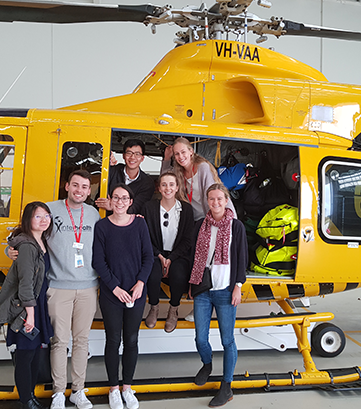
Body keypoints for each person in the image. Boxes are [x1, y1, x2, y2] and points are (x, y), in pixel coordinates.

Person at [8, 170, 100, 409]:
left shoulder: (93, 213)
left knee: (81, 341)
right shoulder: (49, 210)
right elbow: (23, 231)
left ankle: (78, 390)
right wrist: (10, 249)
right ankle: (59, 391)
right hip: (58, 287)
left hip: (88, 287)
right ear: (67, 186)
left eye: (84, 187)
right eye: (75, 185)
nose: (79, 190)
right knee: (59, 341)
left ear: (89, 191)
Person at [93, 184, 154, 409]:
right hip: (112, 294)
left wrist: (140, 284)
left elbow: (148, 257)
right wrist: (115, 288)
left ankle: (127, 386)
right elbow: (98, 261)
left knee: (131, 340)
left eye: (124, 198)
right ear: (110, 201)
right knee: (113, 340)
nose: (120, 202)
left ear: (130, 202)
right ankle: (113, 388)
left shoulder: (139, 223)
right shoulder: (102, 227)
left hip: (136, 293)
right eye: (116, 198)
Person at [189, 184, 247, 407]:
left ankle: (227, 386)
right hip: (204, 290)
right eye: (211, 199)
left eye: (219, 199)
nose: (215, 203)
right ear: (207, 201)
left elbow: (242, 257)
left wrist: (238, 286)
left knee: (227, 339)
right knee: (200, 338)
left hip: (225, 290)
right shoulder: (200, 226)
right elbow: (195, 257)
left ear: (226, 201)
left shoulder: (236, 226)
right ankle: (207, 364)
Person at [0, 201, 54, 409]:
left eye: (47, 215)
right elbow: (26, 284)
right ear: (28, 219)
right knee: (25, 355)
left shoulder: (39, 240)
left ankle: (29, 397)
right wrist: (31, 315)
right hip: (28, 307)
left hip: (36, 305)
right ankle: (26, 401)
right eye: (38, 216)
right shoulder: (27, 246)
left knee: (34, 353)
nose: (44, 220)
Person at [141, 172, 194, 332]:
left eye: (171, 184)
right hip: (155, 252)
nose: (168, 188)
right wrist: (160, 256)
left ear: (177, 187)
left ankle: (174, 309)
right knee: (153, 274)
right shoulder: (148, 207)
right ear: (159, 187)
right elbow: (146, 237)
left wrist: (171, 258)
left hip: (178, 254)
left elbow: (188, 240)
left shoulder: (186, 209)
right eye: (164, 184)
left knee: (178, 274)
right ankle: (154, 307)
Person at [162, 137, 236, 222]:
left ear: (191, 151)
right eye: (177, 154)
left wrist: (213, 219)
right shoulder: (179, 171)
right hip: (194, 219)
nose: (181, 156)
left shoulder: (202, 167)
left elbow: (213, 195)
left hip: (210, 216)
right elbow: (165, 179)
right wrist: (167, 158)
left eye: (183, 152)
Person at [95, 139, 155, 215]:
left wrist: (112, 206)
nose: (133, 157)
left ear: (142, 158)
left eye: (137, 154)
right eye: (129, 153)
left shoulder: (147, 183)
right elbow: (100, 200)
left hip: (128, 224)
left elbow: (136, 208)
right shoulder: (112, 171)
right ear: (123, 155)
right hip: (104, 219)